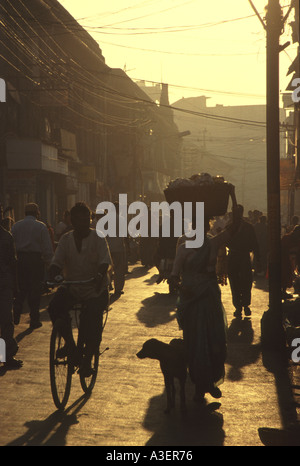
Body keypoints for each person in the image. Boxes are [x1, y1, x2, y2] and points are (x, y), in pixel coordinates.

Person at [170, 185, 239, 403]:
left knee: (215, 340)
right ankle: (201, 384)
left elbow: (234, 228)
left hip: (209, 298)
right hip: (191, 300)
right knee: (195, 343)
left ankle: (210, 380)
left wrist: (233, 197)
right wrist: (182, 288)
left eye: (202, 227)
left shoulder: (212, 243)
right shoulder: (183, 248)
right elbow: (174, 276)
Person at [47, 202, 112, 377]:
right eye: (78, 220)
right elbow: (56, 262)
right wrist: (53, 274)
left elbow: (105, 261)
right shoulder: (66, 240)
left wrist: (99, 275)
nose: (82, 223)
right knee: (54, 308)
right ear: (72, 221)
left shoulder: (98, 237)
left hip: (95, 288)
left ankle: (88, 359)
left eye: (86, 219)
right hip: (72, 286)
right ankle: (70, 344)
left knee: (93, 321)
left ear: (90, 220)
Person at [11, 203, 54, 329]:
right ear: (37, 213)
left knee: (22, 287)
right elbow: (47, 248)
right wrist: (50, 265)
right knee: (35, 289)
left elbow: (11, 244)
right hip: (36, 261)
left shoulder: (16, 226)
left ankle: (17, 308)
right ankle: (34, 318)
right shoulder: (40, 227)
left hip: (20, 260)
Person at [226, 204, 260, 318]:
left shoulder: (246, 227)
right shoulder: (230, 227)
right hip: (235, 256)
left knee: (245, 282)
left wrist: (258, 259)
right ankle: (239, 307)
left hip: (242, 257)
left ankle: (244, 305)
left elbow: (254, 244)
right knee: (235, 283)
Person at [0, 224, 23, 369]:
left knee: (6, 320)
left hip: (4, 284)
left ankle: (6, 356)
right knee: (6, 320)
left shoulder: (7, 236)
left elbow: (13, 262)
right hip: (5, 283)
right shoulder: (6, 236)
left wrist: (15, 286)